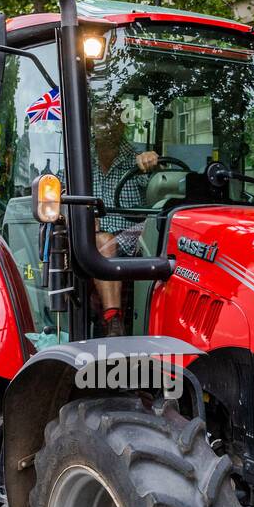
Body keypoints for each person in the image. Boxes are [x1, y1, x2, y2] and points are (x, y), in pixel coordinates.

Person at [89, 105, 158, 337]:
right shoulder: (79, 157)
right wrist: (81, 217)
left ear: (121, 125)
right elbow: (60, 191)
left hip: (135, 233)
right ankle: (113, 321)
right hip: (93, 237)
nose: (106, 128)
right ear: (91, 125)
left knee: (105, 242)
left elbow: (157, 188)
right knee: (103, 241)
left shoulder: (136, 158)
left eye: (111, 122)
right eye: (100, 122)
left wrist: (152, 164)